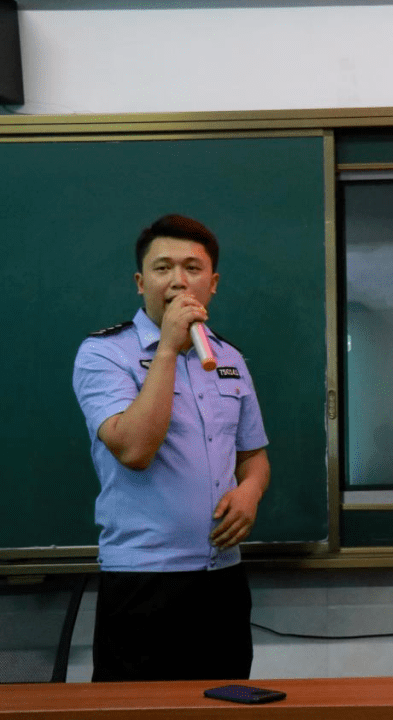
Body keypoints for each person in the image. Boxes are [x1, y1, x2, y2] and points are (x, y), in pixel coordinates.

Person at [72, 214, 270, 682]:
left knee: (227, 707)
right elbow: (134, 449)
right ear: (141, 282)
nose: (178, 280)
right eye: (163, 268)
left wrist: (250, 494)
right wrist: (166, 351)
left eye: (192, 268)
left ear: (213, 283)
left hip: (221, 580)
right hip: (144, 581)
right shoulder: (103, 354)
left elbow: (253, 456)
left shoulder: (230, 358)